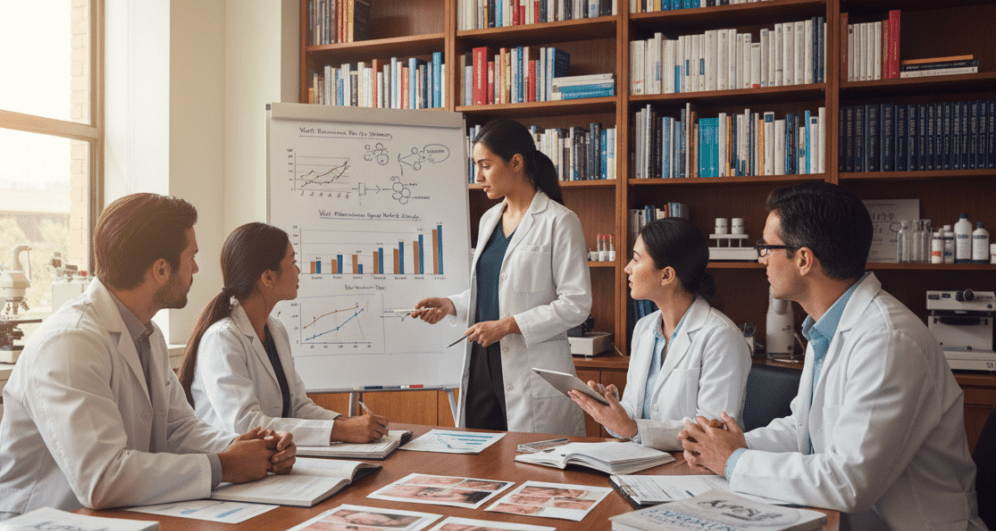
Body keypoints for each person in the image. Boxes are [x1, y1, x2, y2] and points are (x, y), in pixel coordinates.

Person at [677, 182, 996, 531]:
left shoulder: (887, 340)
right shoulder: (829, 327)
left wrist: (734, 463)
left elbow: (850, 480)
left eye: (767, 247)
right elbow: (804, 429)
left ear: (804, 259)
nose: (760, 258)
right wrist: (734, 445)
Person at [0, 194, 295, 527]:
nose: (197, 268)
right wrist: (225, 466)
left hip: (102, 524)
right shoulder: (70, 341)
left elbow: (178, 429)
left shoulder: (147, 333)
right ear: (161, 269)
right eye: (192, 257)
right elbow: (102, 478)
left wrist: (246, 448)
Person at [412, 119, 592, 434]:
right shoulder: (489, 220)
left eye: (485, 165)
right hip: (482, 365)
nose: (478, 177)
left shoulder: (559, 222)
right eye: (475, 166)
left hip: (531, 372)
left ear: (516, 163)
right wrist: (450, 305)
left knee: (530, 471)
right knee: (479, 464)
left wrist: (509, 325)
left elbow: (576, 304)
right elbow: (491, 290)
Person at [179, 222, 388, 446]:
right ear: (268, 277)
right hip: (233, 467)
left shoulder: (275, 329)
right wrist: (341, 430)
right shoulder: (222, 338)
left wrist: (346, 422)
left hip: (273, 460)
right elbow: (245, 424)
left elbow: (298, 406)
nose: (298, 271)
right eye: (293, 262)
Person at [568, 217, 750, 450]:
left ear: (666, 275)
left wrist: (633, 429)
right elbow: (634, 414)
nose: (627, 268)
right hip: (643, 461)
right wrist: (612, 411)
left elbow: (712, 431)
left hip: (694, 468)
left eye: (635, 259)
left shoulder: (721, 336)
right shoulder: (644, 328)